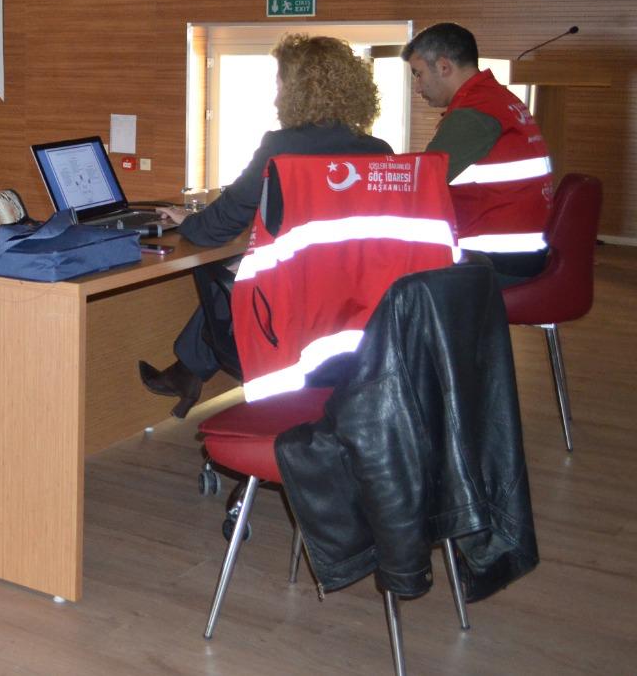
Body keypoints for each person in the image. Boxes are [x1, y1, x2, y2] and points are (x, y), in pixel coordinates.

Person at [138, 33, 392, 417]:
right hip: (357, 304)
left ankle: (188, 370)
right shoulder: (379, 150)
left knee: (218, 267)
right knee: (246, 268)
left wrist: (188, 223)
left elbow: (216, 228)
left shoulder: (281, 146)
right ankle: (187, 370)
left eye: (280, 84)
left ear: (298, 90)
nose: (276, 97)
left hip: (292, 307)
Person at [403, 22, 551, 283]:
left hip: (496, 260)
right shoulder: (498, 99)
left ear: (444, 66)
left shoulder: (475, 112)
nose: (417, 87)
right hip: (521, 251)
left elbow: (421, 184)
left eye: (418, 73)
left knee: (387, 268)